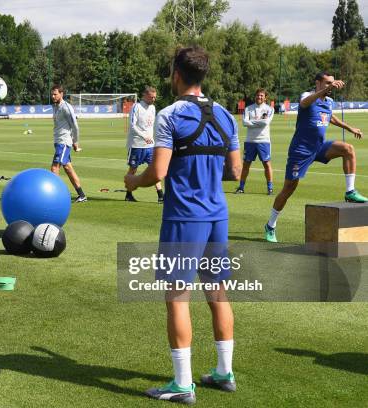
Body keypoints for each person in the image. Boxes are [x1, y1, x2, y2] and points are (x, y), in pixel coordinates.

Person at [125, 46, 241, 404]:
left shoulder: (169, 115)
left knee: (177, 298)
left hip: (183, 219)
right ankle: (224, 372)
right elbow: (235, 171)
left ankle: (182, 384)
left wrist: (133, 183)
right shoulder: (226, 115)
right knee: (217, 293)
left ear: (177, 74)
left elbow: (157, 172)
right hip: (217, 217)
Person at [264, 71, 365, 243]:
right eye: (327, 83)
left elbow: (330, 117)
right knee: (289, 189)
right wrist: (324, 91)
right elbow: (304, 103)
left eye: (332, 83)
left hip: (319, 147)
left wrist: (350, 128)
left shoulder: (329, 101)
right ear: (317, 83)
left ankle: (350, 191)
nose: (331, 86)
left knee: (348, 149)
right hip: (301, 151)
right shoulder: (308, 96)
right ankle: (270, 225)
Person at [125, 86, 164, 203]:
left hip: (150, 146)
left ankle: (160, 196)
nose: (154, 99)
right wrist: (144, 136)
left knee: (154, 169)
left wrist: (154, 138)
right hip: (137, 144)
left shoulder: (153, 108)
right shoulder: (136, 107)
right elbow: (132, 126)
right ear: (145, 95)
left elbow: (152, 125)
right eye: (152, 97)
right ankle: (128, 194)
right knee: (133, 170)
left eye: (155, 97)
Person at [50, 85, 87, 203]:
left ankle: (54, 196)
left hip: (64, 142)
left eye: (55, 94)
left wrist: (75, 142)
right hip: (58, 142)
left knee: (55, 167)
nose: (53, 96)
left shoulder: (66, 107)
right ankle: (82, 195)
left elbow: (75, 126)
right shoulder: (55, 106)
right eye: (52, 94)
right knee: (68, 168)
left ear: (61, 94)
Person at [235, 88, 275, 195]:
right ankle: (241, 187)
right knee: (246, 165)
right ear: (255, 96)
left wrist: (251, 122)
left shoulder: (270, 109)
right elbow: (244, 123)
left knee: (266, 164)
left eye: (262, 95)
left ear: (265, 97)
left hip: (264, 141)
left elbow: (265, 122)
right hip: (250, 141)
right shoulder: (248, 109)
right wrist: (258, 122)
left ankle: (270, 188)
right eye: (258, 95)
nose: (259, 97)